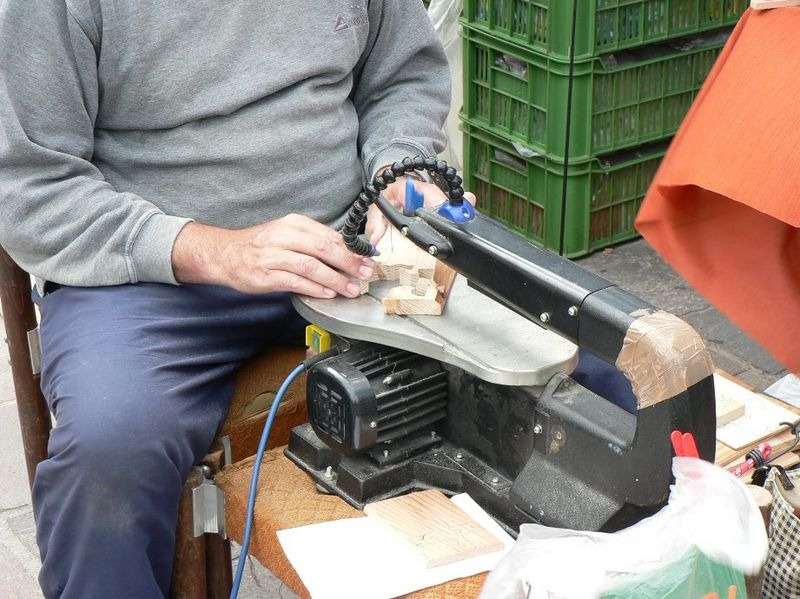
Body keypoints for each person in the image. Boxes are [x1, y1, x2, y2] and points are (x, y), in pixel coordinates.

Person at [0, 2, 459, 597]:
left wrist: (399, 169)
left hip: (351, 247)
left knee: (549, 369)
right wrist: (217, 251)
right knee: (108, 459)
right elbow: (31, 185)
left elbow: (402, 77)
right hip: (148, 277)